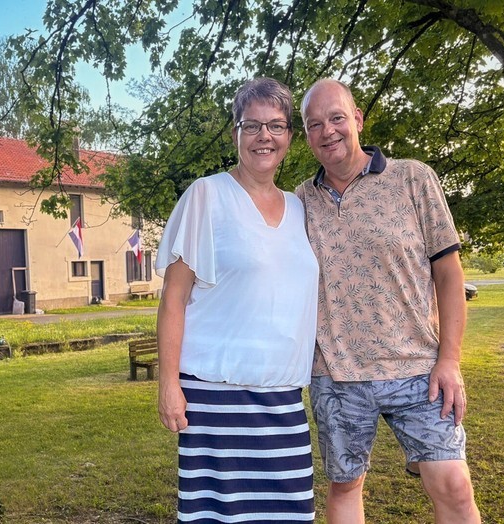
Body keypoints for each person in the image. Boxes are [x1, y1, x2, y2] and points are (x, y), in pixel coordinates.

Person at [295, 78, 481, 524]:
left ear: (357, 119)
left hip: (418, 369)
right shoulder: (301, 200)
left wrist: (450, 360)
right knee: (345, 488)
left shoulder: (412, 177)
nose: (328, 131)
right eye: (314, 123)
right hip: (337, 375)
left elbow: (449, 274)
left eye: (337, 118)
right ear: (306, 135)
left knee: (453, 485)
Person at [155, 77, 319, 523]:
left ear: (289, 136)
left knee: (287, 515)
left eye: (276, 126)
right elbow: (173, 298)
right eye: (252, 126)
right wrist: (169, 384)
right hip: (214, 397)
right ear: (236, 134)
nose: (264, 136)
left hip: (283, 399)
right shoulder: (206, 195)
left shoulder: (302, 207)